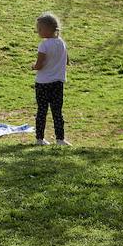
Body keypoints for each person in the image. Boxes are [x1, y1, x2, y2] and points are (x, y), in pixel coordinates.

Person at [31, 12, 70, 146]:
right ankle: (60, 139)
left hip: (43, 84)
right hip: (58, 83)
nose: (38, 31)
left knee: (42, 110)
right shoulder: (62, 43)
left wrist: (33, 67)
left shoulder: (44, 45)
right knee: (57, 112)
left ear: (48, 29)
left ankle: (40, 139)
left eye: (40, 29)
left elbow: (39, 64)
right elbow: (67, 61)